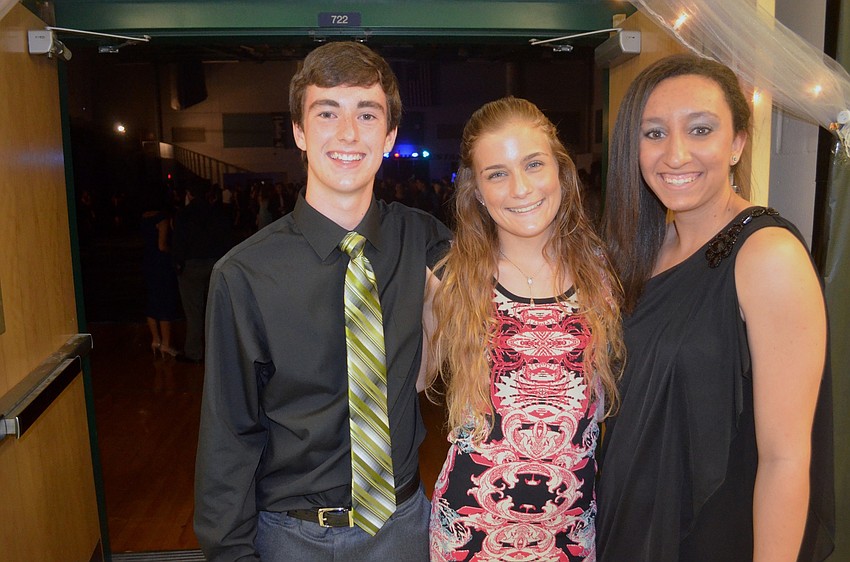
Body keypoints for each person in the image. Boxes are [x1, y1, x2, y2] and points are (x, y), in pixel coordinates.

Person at [193, 41, 451, 561]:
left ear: (389, 137)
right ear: (299, 131)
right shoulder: (243, 275)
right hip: (293, 538)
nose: (349, 133)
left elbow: (510, 273)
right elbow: (229, 437)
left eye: (367, 114)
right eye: (327, 112)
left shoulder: (423, 240)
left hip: (403, 528)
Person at [596, 54, 834, 561]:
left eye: (700, 130)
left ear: (738, 143)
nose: (675, 155)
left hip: (708, 536)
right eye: (654, 133)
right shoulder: (647, 246)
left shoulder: (767, 255)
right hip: (631, 527)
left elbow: (786, 458)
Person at [426, 97, 625, 561]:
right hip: (470, 530)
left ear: (561, 170)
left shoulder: (606, 275)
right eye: (497, 173)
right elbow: (406, 381)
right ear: (476, 189)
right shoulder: (448, 280)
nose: (520, 188)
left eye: (533, 164)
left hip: (572, 530)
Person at [171, 179, 232, 363]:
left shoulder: (184, 214)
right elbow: (225, 238)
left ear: (190, 194)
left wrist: (178, 263)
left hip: (192, 264)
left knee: (193, 311)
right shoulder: (217, 212)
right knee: (215, 310)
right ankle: (220, 353)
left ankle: (194, 352)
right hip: (215, 262)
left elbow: (179, 242)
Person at [139, 183, 180, 358]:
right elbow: (162, 245)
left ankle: (155, 340)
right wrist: (174, 253)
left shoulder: (143, 217)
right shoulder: (162, 218)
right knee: (165, 302)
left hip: (147, 261)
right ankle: (166, 344)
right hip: (161, 264)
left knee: (152, 301)